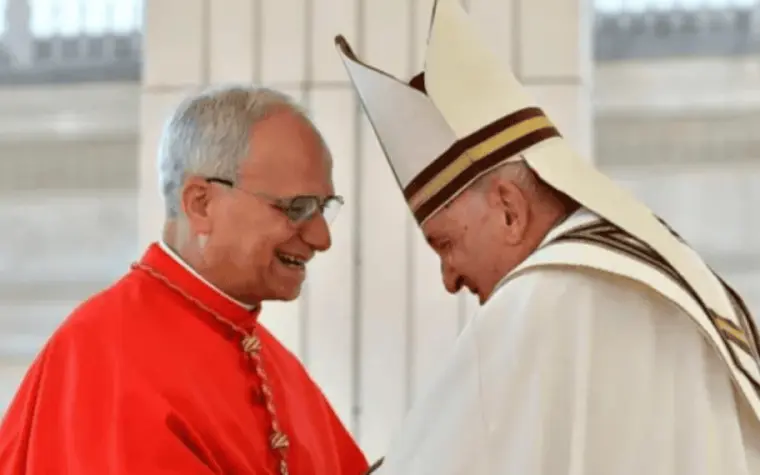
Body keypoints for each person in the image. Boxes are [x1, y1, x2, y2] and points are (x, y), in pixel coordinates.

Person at [335, 0, 760, 473]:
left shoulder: (537, 303)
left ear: (509, 210)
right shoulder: (681, 282)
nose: (449, 279)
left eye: (445, 243)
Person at [0, 85, 369, 475]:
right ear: (201, 204)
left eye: (323, 209)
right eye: (298, 208)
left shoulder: (272, 360)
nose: (321, 239)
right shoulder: (103, 355)